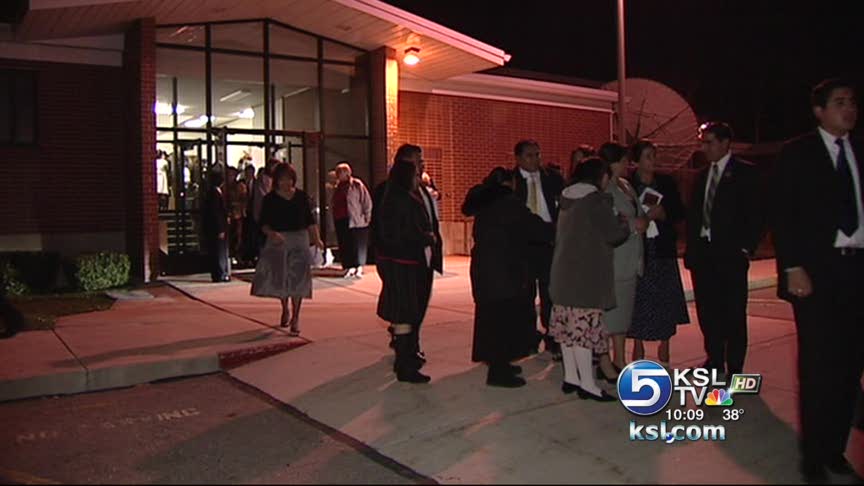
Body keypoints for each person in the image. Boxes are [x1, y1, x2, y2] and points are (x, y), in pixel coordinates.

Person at [771, 78, 864, 483]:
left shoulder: (860, 151)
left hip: (857, 270)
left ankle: (834, 449)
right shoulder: (799, 154)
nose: (850, 108)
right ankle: (812, 457)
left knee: (849, 368)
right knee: (818, 367)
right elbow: (783, 211)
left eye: (853, 102)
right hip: (816, 273)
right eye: (840, 102)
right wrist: (792, 265)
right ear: (819, 110)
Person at [684, 121, 764, 377]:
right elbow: (693, 215)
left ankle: (735, 366)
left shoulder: (745, 173)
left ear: (724, 143)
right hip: (703, 254)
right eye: (703, 142)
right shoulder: (700, 176)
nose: (704, 148)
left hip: (730, 254)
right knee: (708, 312)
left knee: (733, 313)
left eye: (709, 142)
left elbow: (758, 214)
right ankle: (715, 359)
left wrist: (746, 247)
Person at [462, 167, 554, 387]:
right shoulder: (508, 204)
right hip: (504, 269)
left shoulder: (485, 203)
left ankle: (499, 363)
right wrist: (557, 231)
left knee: (490, 318)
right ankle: (498, 370)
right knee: (503, 320)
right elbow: (534, 227)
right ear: (508, 184)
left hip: (485, 268)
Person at [549, 157, 630, 401]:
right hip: (586, 276)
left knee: (568, 330)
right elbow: (613, 235)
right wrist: (624, 223)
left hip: (562, 273)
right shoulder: (596, 200)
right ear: (600, 176)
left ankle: (571, 377)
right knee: (584, 331)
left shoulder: (566, 198)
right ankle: (588, 384)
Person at [627, 140, 690, 366]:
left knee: (664, 297)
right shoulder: (628, 185)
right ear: (636, 161)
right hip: (638, 249)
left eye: (654, 155)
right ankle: (638, 344)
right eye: (647, 156)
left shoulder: (666, 183)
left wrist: (662, 214)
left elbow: (679, 212)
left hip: (661, 248)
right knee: (639, 298)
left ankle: (665, 344)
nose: (653, 161)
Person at [375, 159, 436, 383]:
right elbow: (409, 233)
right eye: (415, 176)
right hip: (405, 265)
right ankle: (405, 364)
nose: (418, 180)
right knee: (406, 314)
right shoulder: (403, 201)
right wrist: (427, 237)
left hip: (398, 264)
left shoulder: (391, 198)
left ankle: (406, 360)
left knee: (404, 314)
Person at [251, 163, 325, 336]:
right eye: (283, 179)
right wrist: (272, 234)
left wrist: (317, 239)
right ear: (277, 181)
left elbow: (310, 221)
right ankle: (285, 308)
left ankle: (296, 318)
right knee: (281, 279)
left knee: (299, 280)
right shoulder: (270, 199)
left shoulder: (301, 197)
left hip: (299, 240)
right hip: (278, 241)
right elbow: (263, 223)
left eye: (289, 179)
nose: (286, 183)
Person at [511, 140, 565, 359]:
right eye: (529, 155)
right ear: (518, 158)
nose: (535, 159)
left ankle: (553, 335)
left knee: (550, 292)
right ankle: (527, 336)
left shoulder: (551, 178)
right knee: (525, 293)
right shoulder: (511, 180)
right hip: (523, 245)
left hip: (547, 242)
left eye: (537, 154)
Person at [597, 142, 647, 377]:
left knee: (625, 311)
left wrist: (644, 219)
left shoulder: (626, 186)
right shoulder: (604, 188)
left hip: (632, 254)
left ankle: (620, 357)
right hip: (614, 258)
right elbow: (605, 222)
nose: (628, 165)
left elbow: (637, 211)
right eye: (624, 161)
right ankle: (606, 361)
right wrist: (631, 225)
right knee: (610, 313)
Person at [332, 162, 373, 279]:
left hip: (355, 219)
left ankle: (358, 267)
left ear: (347, 173)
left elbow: (366, 201)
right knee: (345, 243)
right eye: (337, 173)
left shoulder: (356, 184)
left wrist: (367, 216)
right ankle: (348, 266)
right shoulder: (338, 187)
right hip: (341, 218)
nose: (338, 175)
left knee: (357, 244)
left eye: (340, 173)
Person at [202, 170, 230, 282]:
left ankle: (218, 273)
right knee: (219, 252)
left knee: (217, 251)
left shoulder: (212, 193)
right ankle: (220, 273)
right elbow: (216, 213)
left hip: (214, 228)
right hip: (217, 229)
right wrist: (221, 229)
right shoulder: (214, 194)